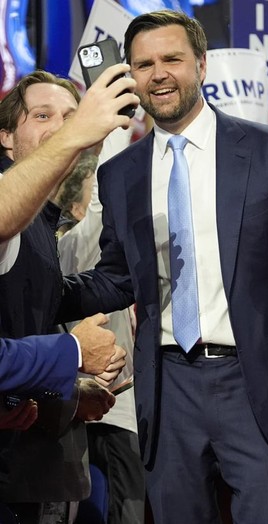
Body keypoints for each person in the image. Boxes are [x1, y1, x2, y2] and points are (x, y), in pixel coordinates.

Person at [57, 10, 268, 524]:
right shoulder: (120, 172)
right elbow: (118, 278)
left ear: (202, 64)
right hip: (167, 390)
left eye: (172, 59)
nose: (158, 73)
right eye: (143, 64)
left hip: (258, 384)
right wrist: (42, 292)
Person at [0, 69, 133, 523]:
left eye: (72, 117)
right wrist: (74, 351)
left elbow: (48, 301)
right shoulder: (7, 201)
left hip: (27, 456)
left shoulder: (38, 217)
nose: (61, 127)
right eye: (43, 115)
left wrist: (69, 391)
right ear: (5, 135)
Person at [57, 142, 145, 524]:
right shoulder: (73, 245)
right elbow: (100, 209)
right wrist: (110, 122)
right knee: (123, 512)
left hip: (100, 404)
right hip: (104, 406)